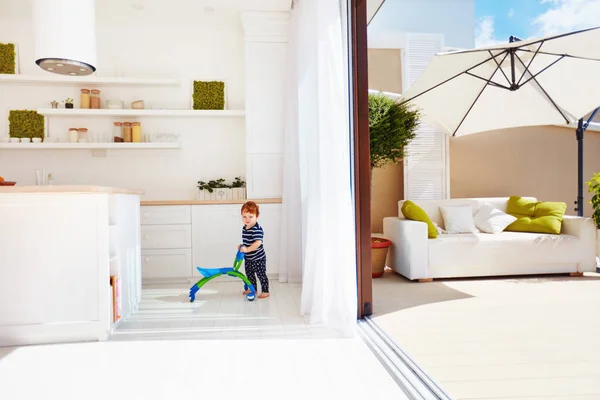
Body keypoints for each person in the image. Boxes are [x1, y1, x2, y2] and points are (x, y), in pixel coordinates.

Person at [238, 201, 269, 299]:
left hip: (258, 258)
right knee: (250, 275)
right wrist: (242, 246)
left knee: (261, 275)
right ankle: (253, 289)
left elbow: (258, 242)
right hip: (249, 258)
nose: (247, 219)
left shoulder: (256, 229)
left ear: (257, 216)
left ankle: (265, 291)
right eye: (244, 216)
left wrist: (247, 249)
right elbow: (248, 241)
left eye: (250, 216)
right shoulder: (245, 228)